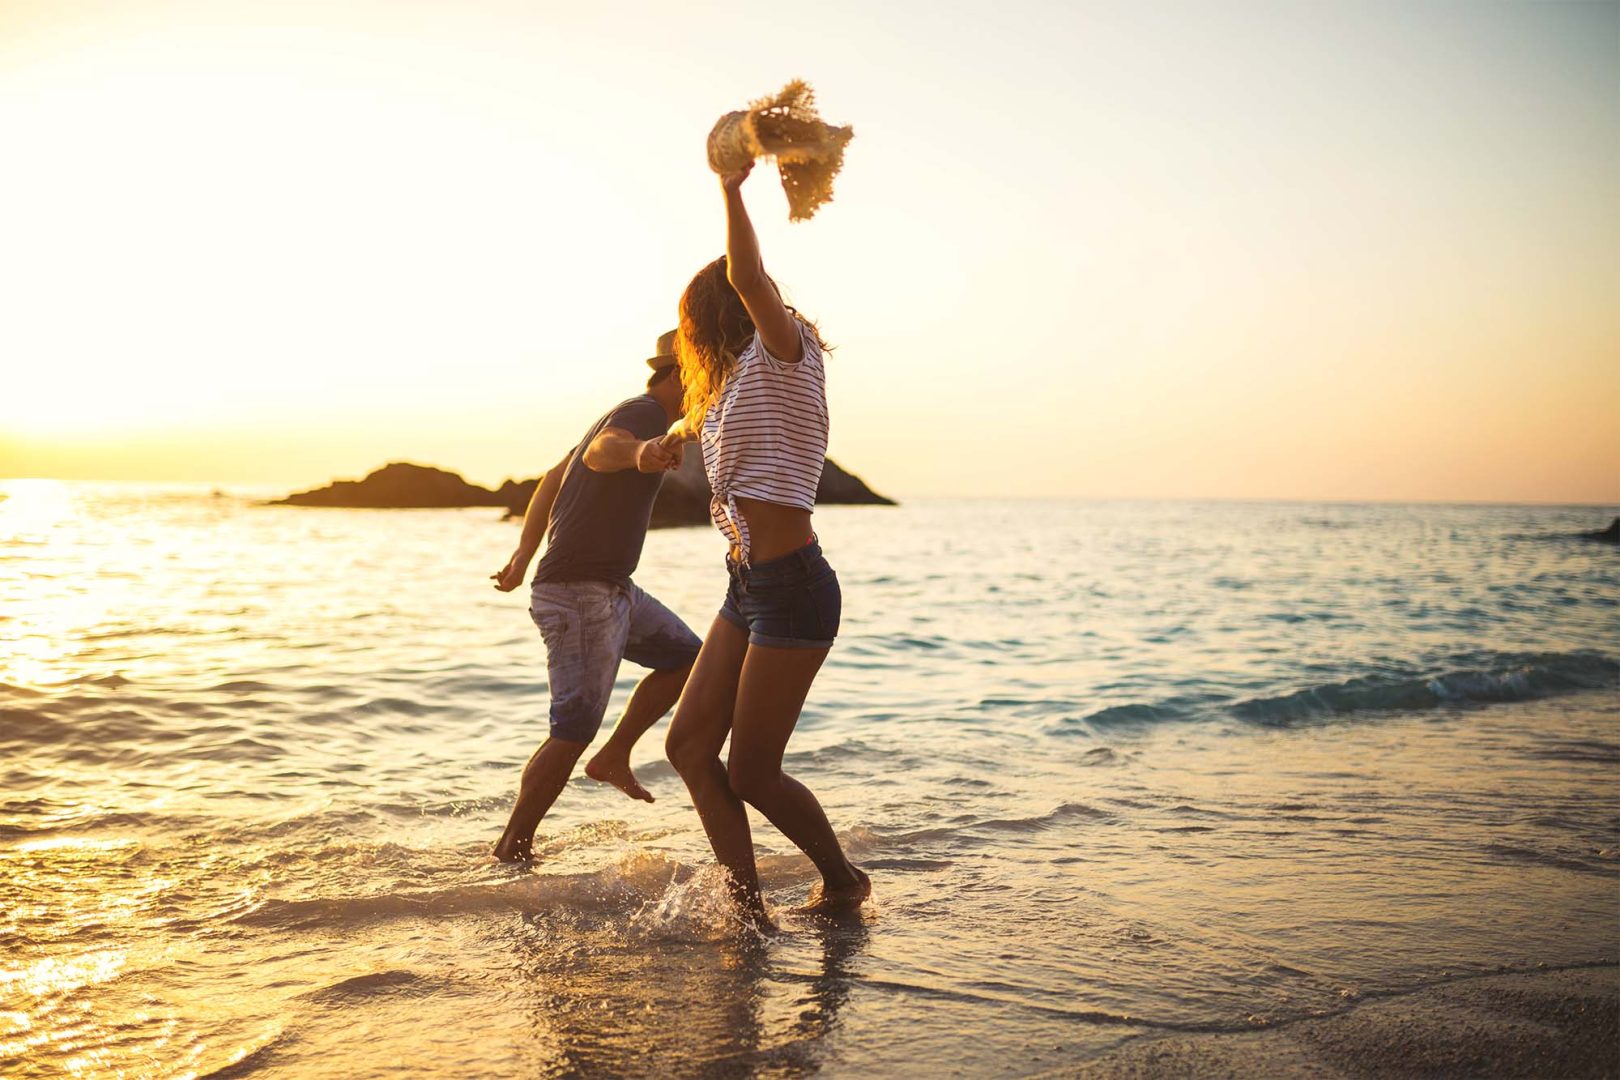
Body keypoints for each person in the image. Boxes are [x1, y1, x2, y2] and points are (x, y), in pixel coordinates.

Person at [662, 160, 870, 920]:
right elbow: (707, 426)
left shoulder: (786, 352)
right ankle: (745, 910)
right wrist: (668, 440)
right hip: (746, 586)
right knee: (688, 748)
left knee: (752, 770)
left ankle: (845, 880)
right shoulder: (733, 384)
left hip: (794, 587)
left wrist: (728, 187)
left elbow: (749, 277)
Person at [489, 334, 701, 863]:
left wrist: (521, 556)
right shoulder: (644, 412)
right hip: (579, 592)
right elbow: (606, 453)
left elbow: (551, 479)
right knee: (572, 727)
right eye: (708, 374)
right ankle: (512, 847)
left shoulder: (638, 415)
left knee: (688, 659)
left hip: (611, 587)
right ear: (681, 375)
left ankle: (615, 755)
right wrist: (641, 452)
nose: (713, 388)